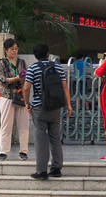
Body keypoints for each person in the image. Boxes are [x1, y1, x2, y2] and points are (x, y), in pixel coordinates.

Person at [23, 43, 72, 180]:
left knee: (41, 139)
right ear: (48, 54)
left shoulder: (33, 68)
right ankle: (56, 168)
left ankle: (41, 171)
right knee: (55, 137)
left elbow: (26, 87)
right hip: (56, 107)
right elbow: (65, 87)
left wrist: (27, 103)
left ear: (35, 55)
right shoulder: (57, 67)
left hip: (40, 108)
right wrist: (68, 105)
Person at [0, 38, 30, 161]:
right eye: (12, 49)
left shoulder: (22, 62)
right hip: (7, 96)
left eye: (16, 49)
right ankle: (3, 151)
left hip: (21, 95)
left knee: (23, 124)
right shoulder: (1, 63)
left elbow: (27, 78)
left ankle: (24, 151)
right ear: (6, 50)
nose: (14, 51)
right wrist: (16, 78)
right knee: (6, 124)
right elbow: (2, 79)